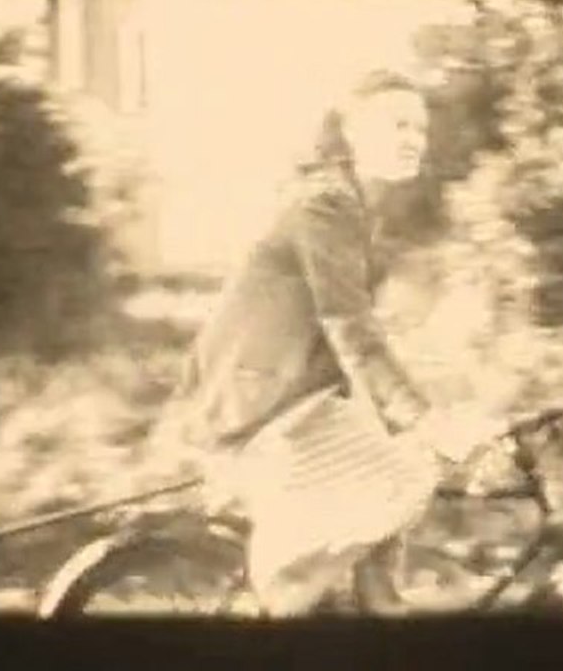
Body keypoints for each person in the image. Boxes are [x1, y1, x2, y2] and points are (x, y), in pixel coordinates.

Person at [151, 68, 508, 617]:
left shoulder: (356, 207)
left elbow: (361, 334)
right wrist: (421, 416)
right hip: (263, 397)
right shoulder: (326, 203)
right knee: (405, 476)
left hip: (301, 388)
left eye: (419, 127)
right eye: (397, 124)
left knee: (394, 479)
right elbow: (348, 326)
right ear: (352, 129)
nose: (413, 138)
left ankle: (379, 604)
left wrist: (435, 405)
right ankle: (280, 604)